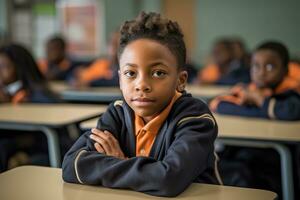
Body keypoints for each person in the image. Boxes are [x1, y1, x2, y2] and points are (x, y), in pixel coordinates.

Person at [62, 12, 221, 197]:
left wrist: (120, 161)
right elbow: (72, 164)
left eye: (158, 73)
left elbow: (168, 180)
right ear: (120, 80)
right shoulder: (118, 112)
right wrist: (140, 170)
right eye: (131, 73)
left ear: (181, 80)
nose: (142, 85)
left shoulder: (195, 118)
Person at [210, 41, 300, 120]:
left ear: (285, 71)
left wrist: (259, 100)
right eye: (256, 66)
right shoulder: (247, 89)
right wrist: (264, 110)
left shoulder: (291, 92)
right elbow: (219, 104)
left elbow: (291, 113)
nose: (261, 73)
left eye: (270, 67)